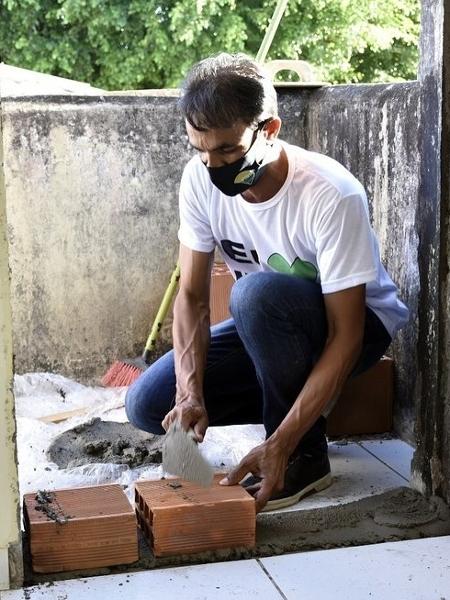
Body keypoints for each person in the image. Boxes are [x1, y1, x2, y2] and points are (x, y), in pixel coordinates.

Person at [125, 53, 409, 513]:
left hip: (354, 327)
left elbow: (348, 334)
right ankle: (303, 401)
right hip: (268, 322)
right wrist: (190, 393)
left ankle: (302, 453)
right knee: (146, 402)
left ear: (269, 129)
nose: (212, 164)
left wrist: (282, 439)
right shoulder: (199, 181)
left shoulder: (330, 194)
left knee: (253, 294)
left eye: (228, 151)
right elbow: (193, 298)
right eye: (200, 149)